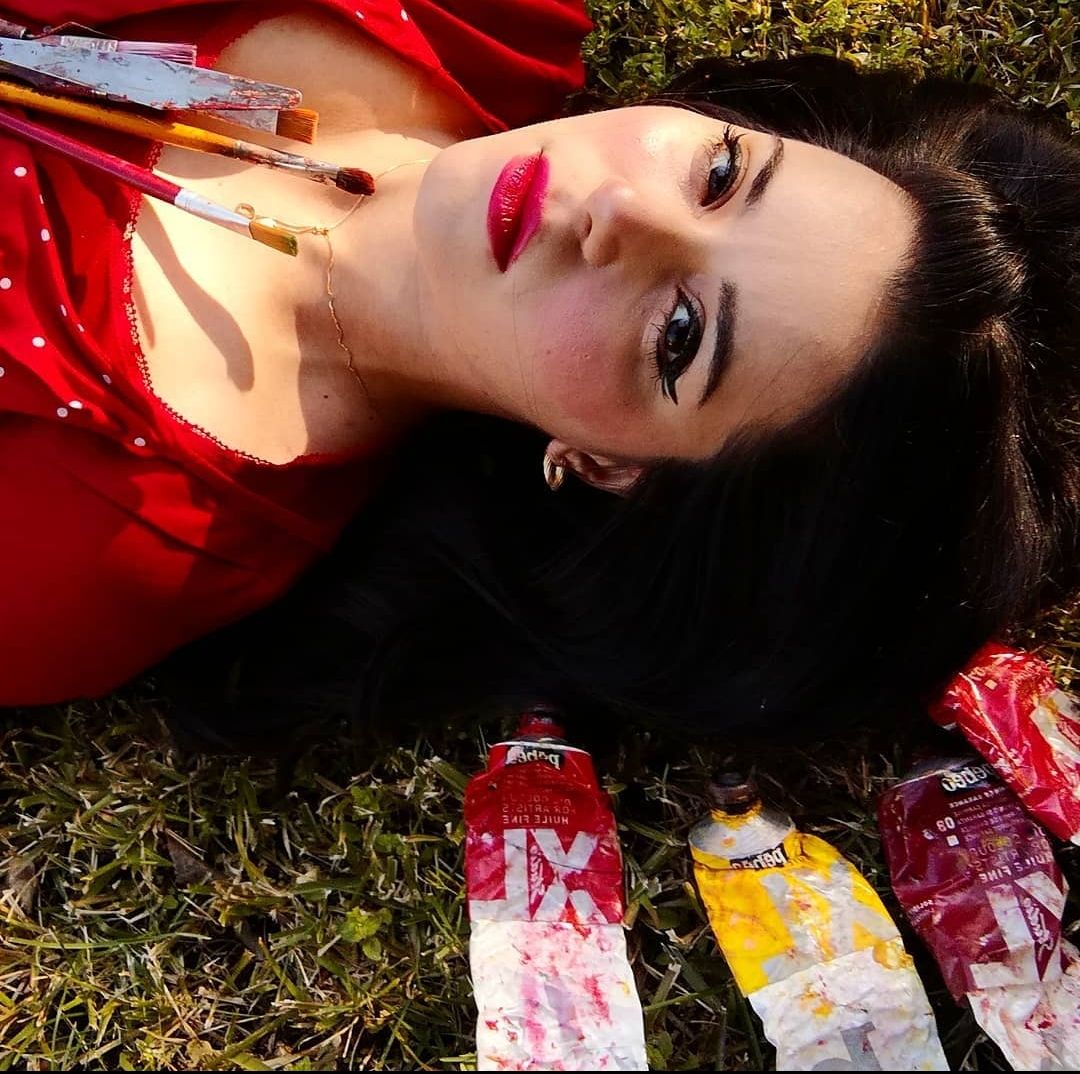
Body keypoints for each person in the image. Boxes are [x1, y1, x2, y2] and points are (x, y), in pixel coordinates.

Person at [2, 3, 1079, 750]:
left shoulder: (111, 542)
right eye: (718, 173)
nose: (622, 216)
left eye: (681, 337)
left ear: (612, 468)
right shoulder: (481, 18)